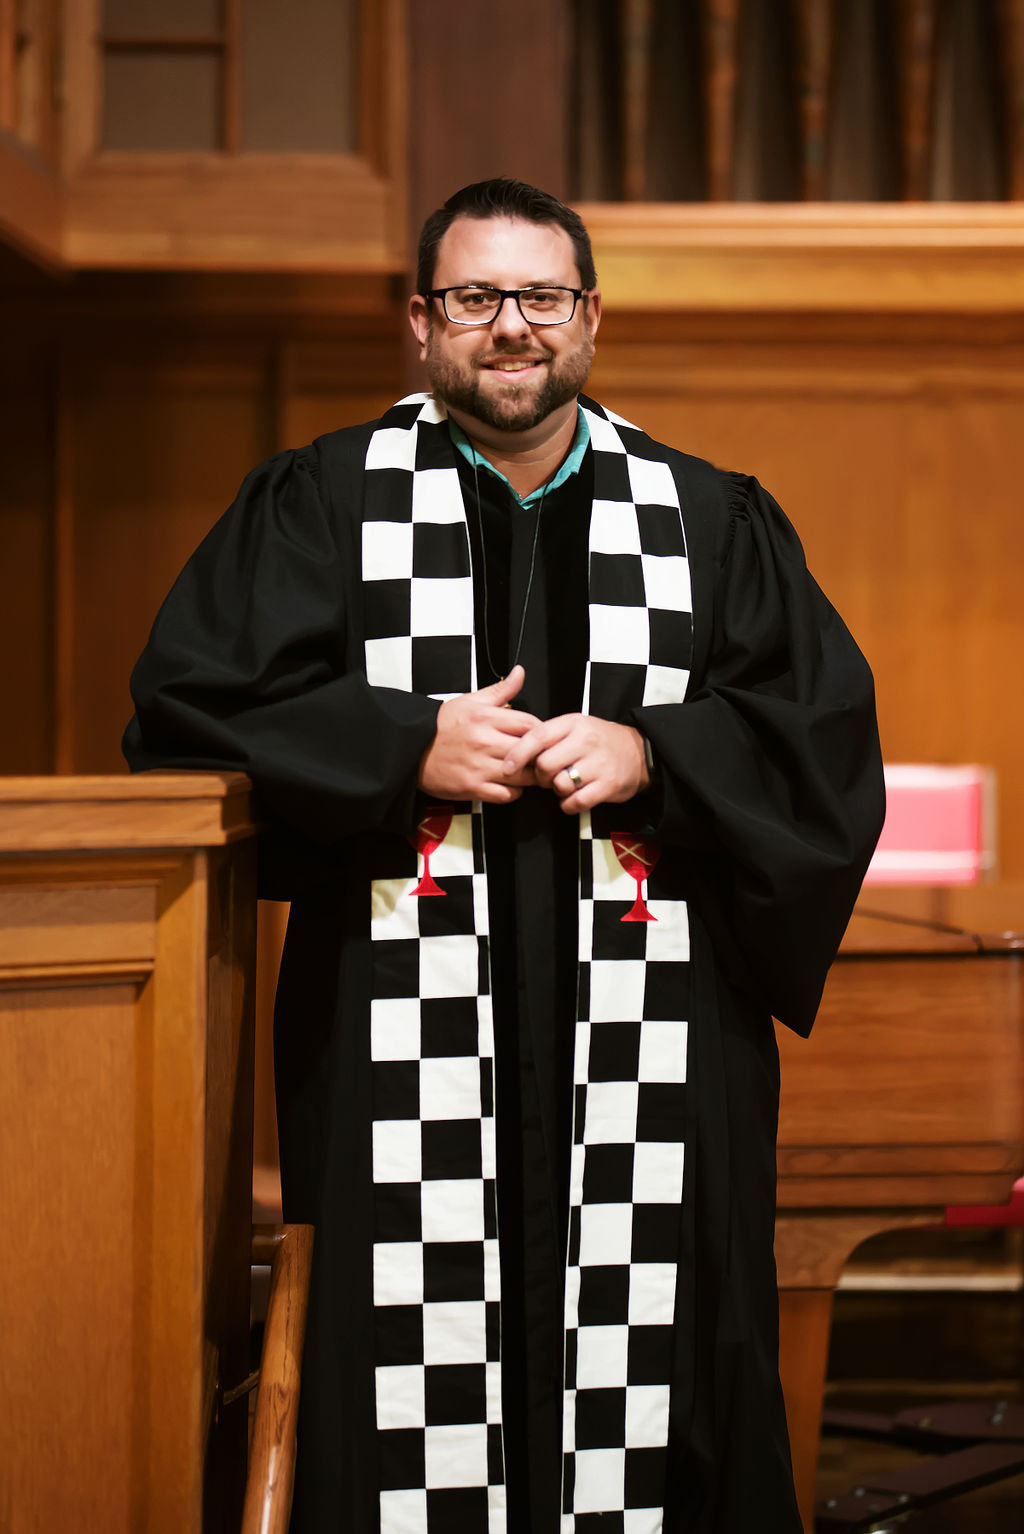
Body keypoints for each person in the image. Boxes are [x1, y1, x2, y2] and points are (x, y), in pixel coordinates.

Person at [124, 178, 884, 1534]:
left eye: (541, 296)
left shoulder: (707, 519)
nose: (513, 326)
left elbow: (822, 743)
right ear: (422, 322)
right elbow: (184, 712)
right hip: (391, 1040)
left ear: (590, 317)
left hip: (663, 1049)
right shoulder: (321, 504)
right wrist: (400, 744)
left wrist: (657, 755)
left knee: (660, 1369)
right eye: (477, 297)